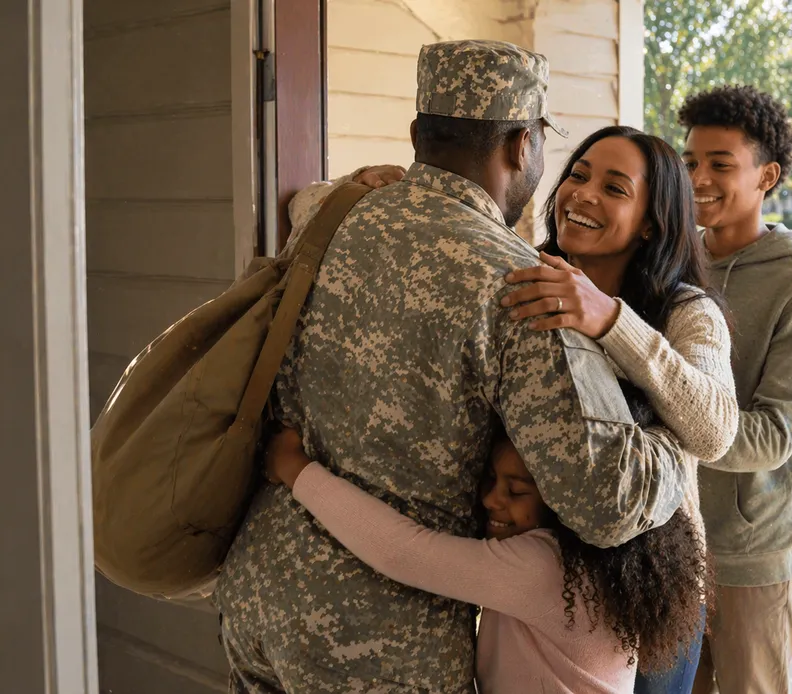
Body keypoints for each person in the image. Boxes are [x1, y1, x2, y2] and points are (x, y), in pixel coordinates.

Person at [214, 40, 691, 694]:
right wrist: (674, 444)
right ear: (523, 145)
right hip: (378, 634)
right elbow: (605, 501)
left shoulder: (331, 220)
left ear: (417, 134)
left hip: (256, 589)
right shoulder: (523, 286)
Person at [294, 124, 739, 693]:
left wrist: (610, 320)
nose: (584, 194)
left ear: (652, 221)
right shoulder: (521, 268)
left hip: (640, 592)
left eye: (615, 188)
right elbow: (304, 204)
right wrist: (375, 188)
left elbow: (717, 430)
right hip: (535, 573)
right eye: (578, 175)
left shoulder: (686, 311)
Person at [262, 382, 707, 694]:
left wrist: (296, 469)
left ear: (564, 498)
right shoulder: (606, 560)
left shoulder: (545, 569)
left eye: (517, 491)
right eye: (490, 480)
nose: (492, 500)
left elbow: (403, 551)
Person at [678, 85, 792, 694]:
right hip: (671, 540)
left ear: (767, 175)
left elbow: (773, 435)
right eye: (691, 161)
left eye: (722, 164)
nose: (700, 177)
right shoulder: (675, 260)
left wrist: (679, 416)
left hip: (751, 551)